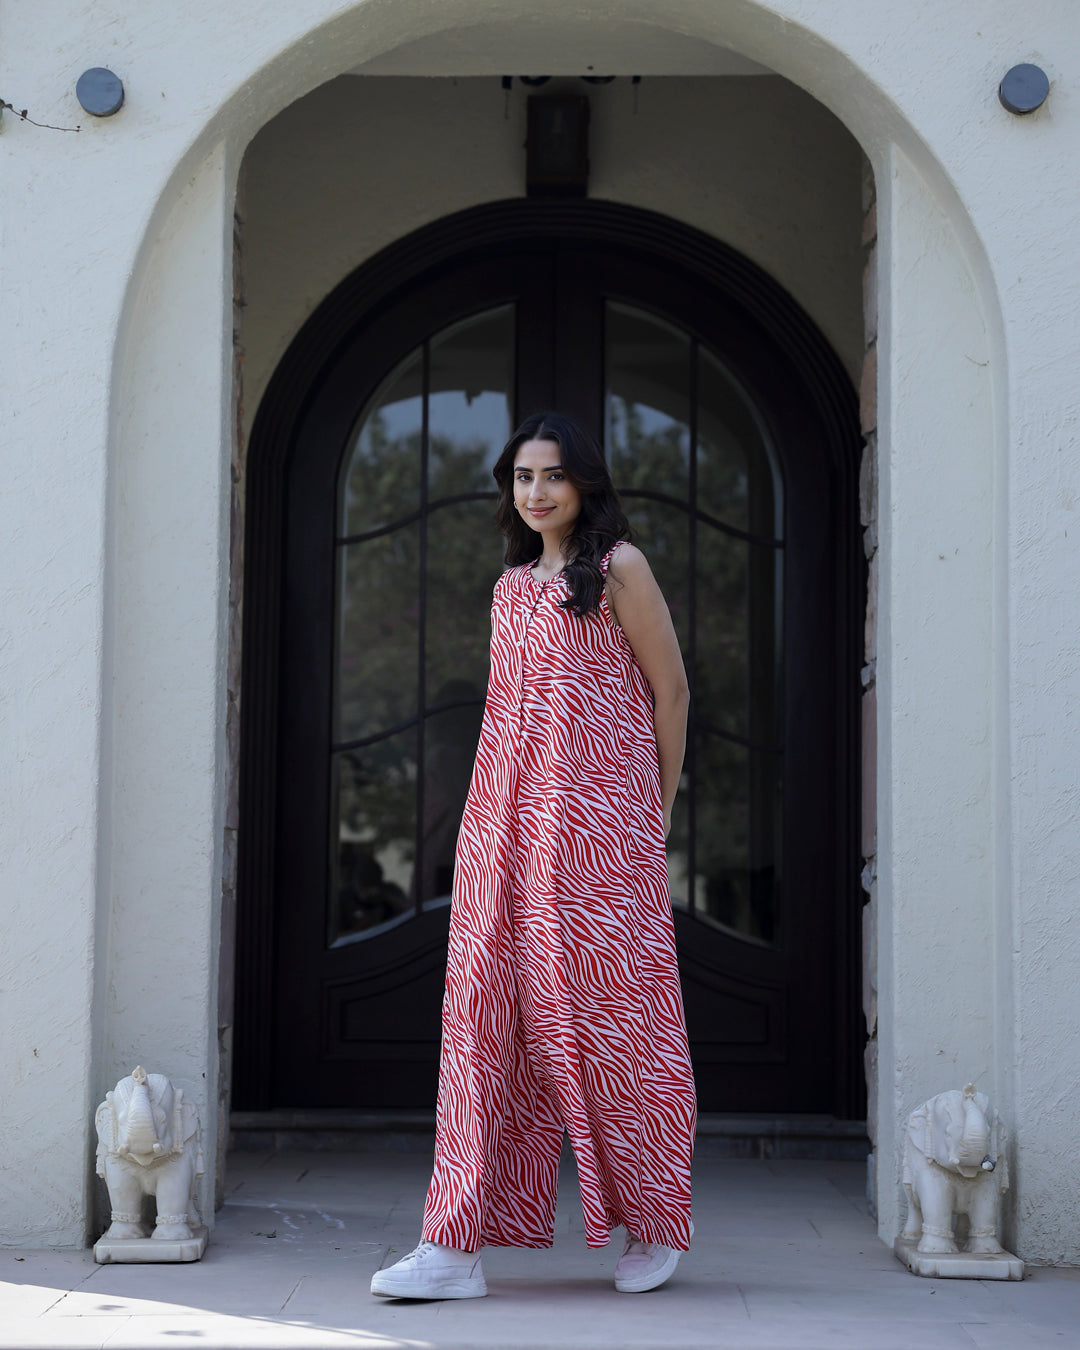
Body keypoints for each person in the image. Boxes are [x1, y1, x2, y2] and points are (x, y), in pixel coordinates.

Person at [370, 411, 697, 1300]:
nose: (537, 491)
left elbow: (671, 693)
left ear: (583, 481)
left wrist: (654, 811)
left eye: (553, 474)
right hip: (503, 832)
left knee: (615, 1022)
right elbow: (507, 717)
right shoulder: (512, 587)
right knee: (481, 1023)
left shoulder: (620, 567)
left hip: (602, 839)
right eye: (523, 476)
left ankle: (654, 1222)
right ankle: (453, 1247)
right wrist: (480, 830)